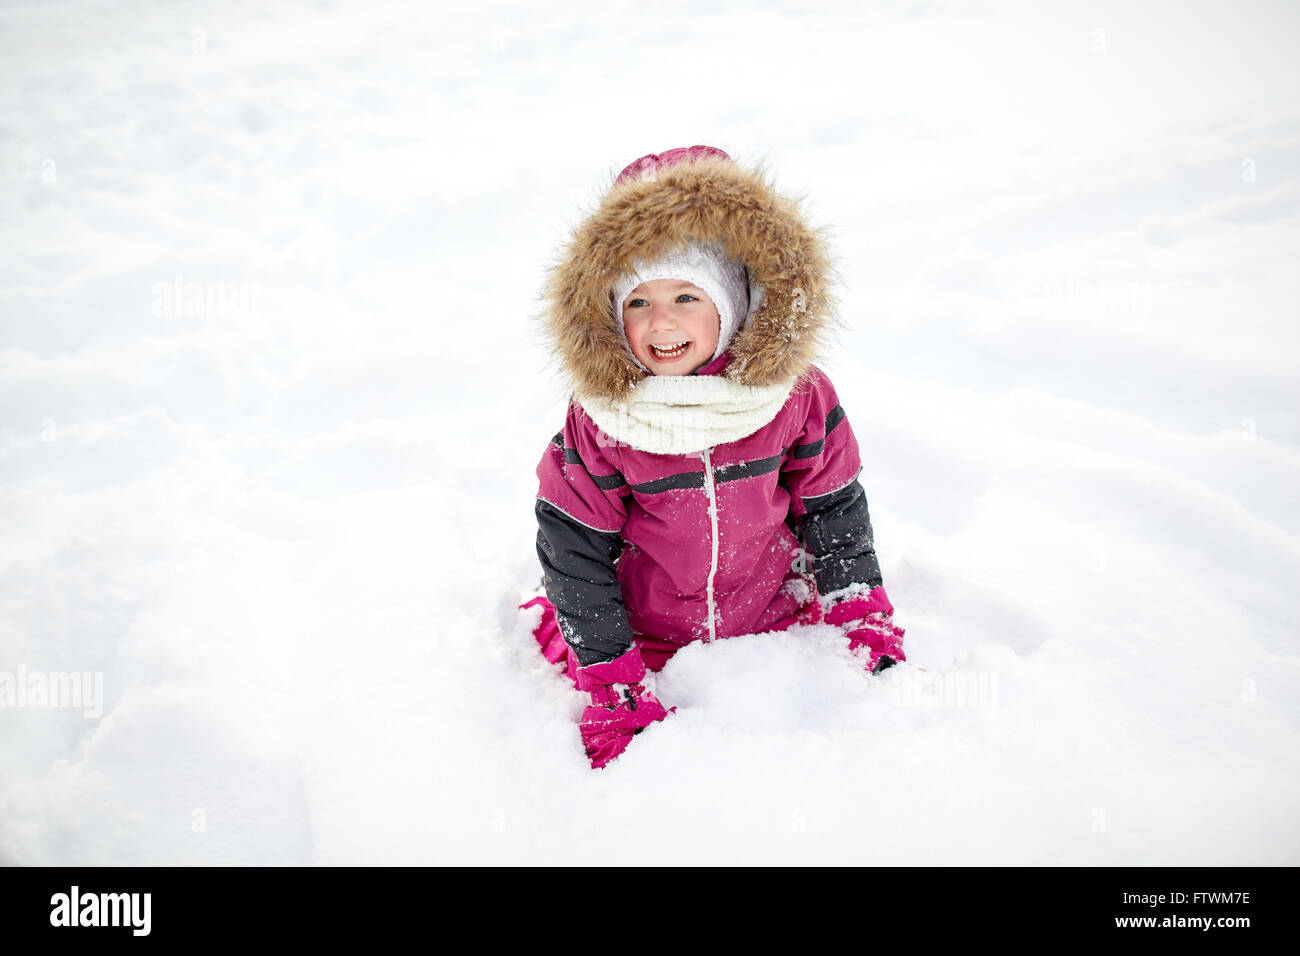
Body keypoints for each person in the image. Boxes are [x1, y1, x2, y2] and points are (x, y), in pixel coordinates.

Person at [522, 145, 905, 769]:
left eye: (686, 298)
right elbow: (575, 553)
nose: (660, 324)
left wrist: (859, 613)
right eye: (638, 302)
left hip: (771, 617)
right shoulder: (606, 419)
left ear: (731, 306)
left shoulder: (791, 399)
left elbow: (833, 512)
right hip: (641, 636)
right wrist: (615, 686)